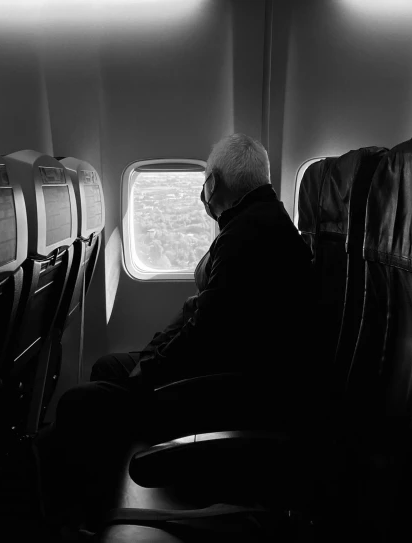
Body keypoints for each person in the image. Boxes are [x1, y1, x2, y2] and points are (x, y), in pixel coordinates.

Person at [37, 133, 318, 537]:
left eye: (205, 180)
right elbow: (203, 318)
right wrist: (150, 357)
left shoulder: (247, 237)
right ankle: (96, 499)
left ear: (213, 184)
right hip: (225, 374)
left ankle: (80, 520)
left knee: (79, 404)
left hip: (227, 394)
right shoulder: (257, 223)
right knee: (107, 366)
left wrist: (147, 373)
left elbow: (204, 334)